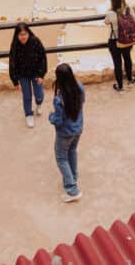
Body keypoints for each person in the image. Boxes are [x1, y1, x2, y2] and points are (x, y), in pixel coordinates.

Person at [49, 63, 85, 203]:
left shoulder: (59, 99)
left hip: (65, 133)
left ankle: (72, 189)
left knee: (61, 158)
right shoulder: (79, 87)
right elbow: (82, 103)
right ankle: (73, 178)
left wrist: (51, 117)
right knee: (72, 151)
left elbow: (58, 120)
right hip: (78, 128)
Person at [8, 23, 47, 128]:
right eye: (21, 35)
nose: (23, 37)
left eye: (25, 34)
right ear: (17, 35)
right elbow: (12, 63)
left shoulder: (35, 41)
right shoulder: (15, 46)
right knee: (27, 96)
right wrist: (15, 81)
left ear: (28, 33)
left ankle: (39, 103)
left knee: (39, 94)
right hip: (23, 75)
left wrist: (41, 74)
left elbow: (42, 58)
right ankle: (28, 114)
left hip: (36, 72)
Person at [105, 0, 135, 92]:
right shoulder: (129, 10)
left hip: (114, 41)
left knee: (117, 63)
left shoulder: (110, 13)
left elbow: (106, 22)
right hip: (127, 40)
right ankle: (130, 79)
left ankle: (120, 86)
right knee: (127, 58)